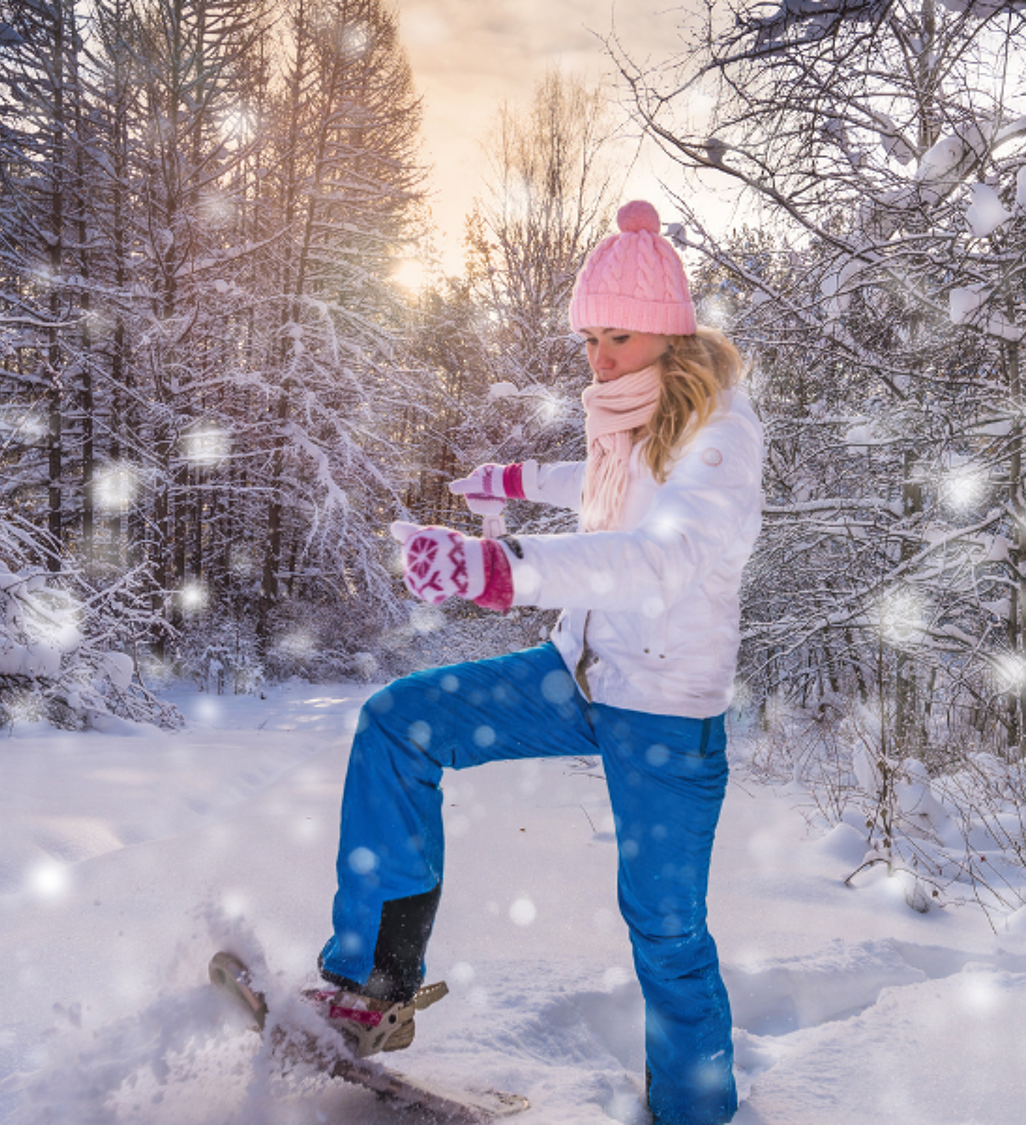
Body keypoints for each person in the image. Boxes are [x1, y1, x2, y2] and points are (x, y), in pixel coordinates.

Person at [312, 200, 761, 1125]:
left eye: (617, 337)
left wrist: (503, 567)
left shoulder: (719, 436)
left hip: (666, 714)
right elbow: (605, 492)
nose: (597, 359)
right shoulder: (626, 415)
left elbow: (661, 553)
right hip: (577, 675)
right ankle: (373, 984)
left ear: (669, 334)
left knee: (667, 934)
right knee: (400, 723)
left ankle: (695, 1111)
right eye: (589, 337)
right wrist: (518, 484)